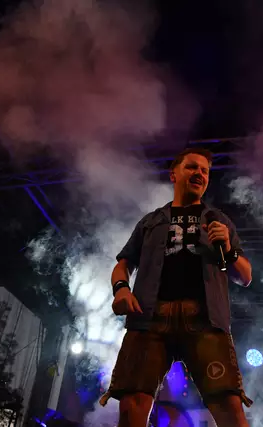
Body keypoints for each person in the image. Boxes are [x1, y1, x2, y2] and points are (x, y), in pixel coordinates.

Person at [100, 148, 253, 427]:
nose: (199, 174)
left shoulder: (218, 220)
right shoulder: (151, 221)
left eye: (205, 171)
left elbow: (245, 276)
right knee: (131, 406)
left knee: (230, 407)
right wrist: (121, 289)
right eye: (192, 167)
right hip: (150, 319)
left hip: (205, 319)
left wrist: (229, 250)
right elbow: (123, 264)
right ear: (174, 174)